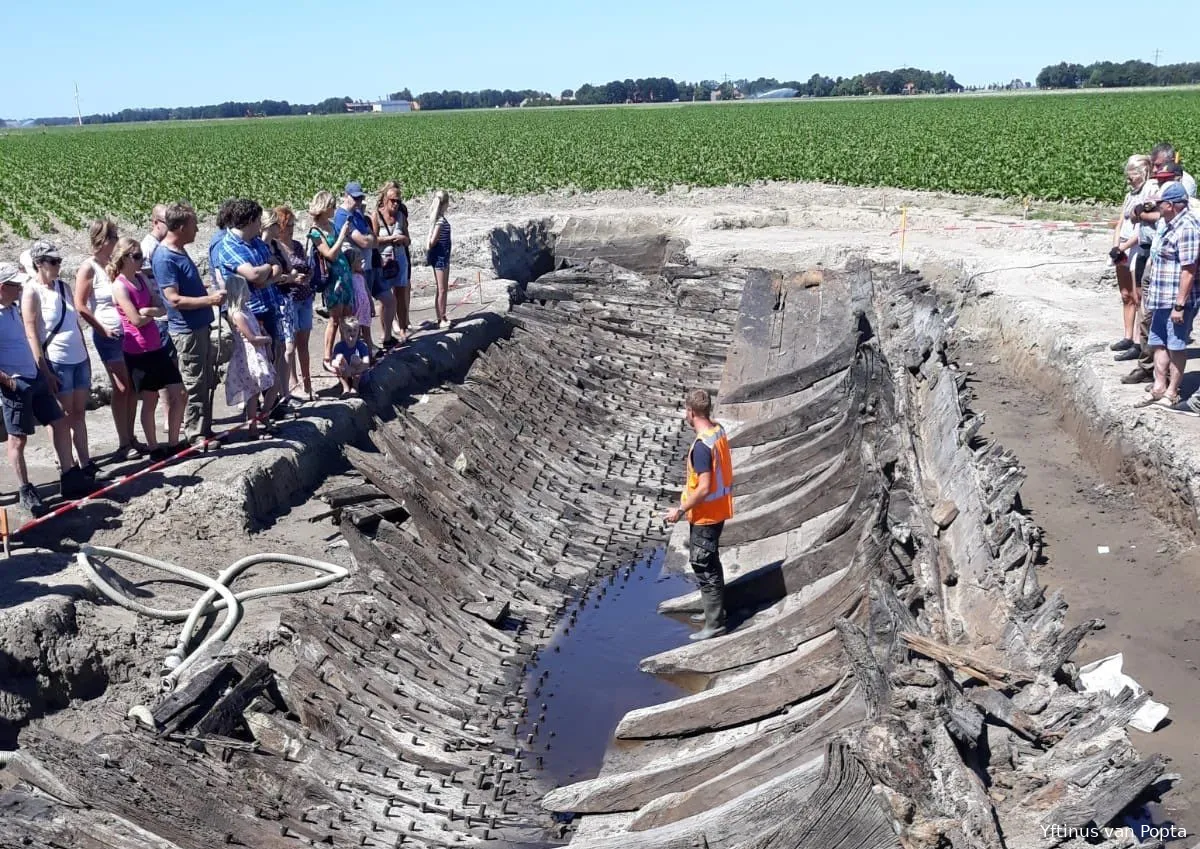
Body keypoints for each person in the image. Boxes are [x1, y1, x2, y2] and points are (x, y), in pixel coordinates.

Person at [0, 262, 78, 516]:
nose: (21, 290)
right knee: (17, 439)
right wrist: (9, 381)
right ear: (2, 288)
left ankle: (69, 475)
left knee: (59, 421)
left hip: (34, 377)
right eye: (15, 286)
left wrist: (43, 372)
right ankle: (25, 490)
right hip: (16, 384)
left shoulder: (12, 310)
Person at [23, 241, 99, 499]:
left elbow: (74, 324)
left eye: (59, 261)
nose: (58, 266)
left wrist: (86, 355)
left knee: (79, 413)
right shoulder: (32, 292)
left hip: (77, 357)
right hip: (57, 361)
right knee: (63, 416)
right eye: (53, 262)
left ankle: (85, 463)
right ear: (39, 264)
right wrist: (44, 370)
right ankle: (67, 466)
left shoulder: (63, 287)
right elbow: (32, 333)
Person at [664, 388, 734, 642]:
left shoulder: (702, 447)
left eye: (687, 411)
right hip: (718, 510)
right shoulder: (718, 430)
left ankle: (715, 623)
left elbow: (704, 487)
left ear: (691, 413)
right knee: (709, 560)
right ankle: (712, 611)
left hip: (706, 515)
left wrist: (679, 510)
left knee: (703, 564)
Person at [153, 201, 225, 443]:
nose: (196, 230)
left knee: (204, 380)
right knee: (194, 382)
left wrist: (204, 291)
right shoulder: (165, 257)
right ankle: (195, 434)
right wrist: (209, 300)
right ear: (181, 227)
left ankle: (204, 428)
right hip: (187, 330)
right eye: (194, 225)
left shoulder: (179, 251)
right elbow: (173, 299)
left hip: (199, 326)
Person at [109, 237, 186, 460]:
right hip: (138, 349)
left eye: (141, 255)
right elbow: (135, 319)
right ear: (123, 259)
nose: (141, 260)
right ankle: (154, 447)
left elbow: (160, 308)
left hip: (156, 343)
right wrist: (148, 312)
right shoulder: (119, 285)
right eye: (136, 256)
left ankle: (173, 442)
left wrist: (148, 312)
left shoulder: (142, 278)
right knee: (150, 400)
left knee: (179, 393)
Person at [214, 199, 286, 416]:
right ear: (250, 221)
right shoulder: (228, 246)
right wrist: (265, 270)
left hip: (268, 305)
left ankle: (268, 410)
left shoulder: (256, 243)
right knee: (256, 367)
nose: (260, 226)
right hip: (250, 312)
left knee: (273, 358)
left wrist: (265, 275)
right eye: (258, 221)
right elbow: (254, 276)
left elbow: (278, 268)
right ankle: (258, 414)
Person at [75, 218, 138, 460]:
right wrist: (101, 329)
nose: (115, 242)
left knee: (130, 387)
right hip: (108, 334)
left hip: (126, 332)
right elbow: (81, 306)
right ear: (102, 241)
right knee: (121, 386)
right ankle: (124, 440)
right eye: (113, 238)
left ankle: (130, 436)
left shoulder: (112, 265)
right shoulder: (89, 267)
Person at [1136, 183, 1200, 415]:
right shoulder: (1170, 225)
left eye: (1161, 203)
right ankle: (1159, 387)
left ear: (1171, 205)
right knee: (1159, 342)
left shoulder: (1188, 228)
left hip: (1176, 300)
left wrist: (1180, 305)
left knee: (1176, 346)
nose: (1157, 207)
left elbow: (1189, 270)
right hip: (1161, 297)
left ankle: (1173, 391)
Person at [335, 182, 393, 347]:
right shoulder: (342, 216)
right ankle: (360, 345)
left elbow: (372, 239)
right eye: (355, 198)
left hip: (369, 266)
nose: (359, 201)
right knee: (359, 310)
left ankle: (384, 338)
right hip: (356, 270)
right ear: (346, 196)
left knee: (384, 301)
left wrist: (369, 240)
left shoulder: (358, 214)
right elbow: (363, 240)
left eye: (361, 198)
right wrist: (368, 240)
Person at [1111, 155, 1157, 361]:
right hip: (1122, 246)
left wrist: (1124, 246)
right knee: (1125, 294)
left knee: (1138, 297)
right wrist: (1115, 246)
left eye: (1132, 178)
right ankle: (1128, 336)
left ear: (1142, 174)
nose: (1128, 181)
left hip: (1135, 247)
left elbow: (1142, 228)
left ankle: (1139, 342)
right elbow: (1121, 221)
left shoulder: (1149, 193)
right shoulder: (1130, 194)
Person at [267, 206, 314, 400]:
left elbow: (307, 266)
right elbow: (275, 277)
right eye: (290, 224)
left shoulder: (297, 245)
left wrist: (308, 276)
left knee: (304, 343)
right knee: (290, 344)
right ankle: (293, 383)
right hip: (288, 298)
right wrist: (293, 279)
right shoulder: (275, 248)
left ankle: (307, 382)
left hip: (304, 296)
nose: (293, 228)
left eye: (294, 224)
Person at [223, 274, 276, 440]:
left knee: (267, 387)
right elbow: (252, 338)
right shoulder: (237, 314)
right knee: (254, 391)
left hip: (259, 353)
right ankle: (256, 424)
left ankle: (263, 416)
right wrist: (268, 340)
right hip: (248, 355)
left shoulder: (247, 310)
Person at [307, 191, 355, 368]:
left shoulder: (331, 225)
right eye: (332, 206)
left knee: (347, 316)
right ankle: (327, 356)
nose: (334, 209)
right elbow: (330, 255)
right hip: (332, 277)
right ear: (325, 208)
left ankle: (346, 350)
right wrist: (342, 235)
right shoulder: (315, 232)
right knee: (334, 318)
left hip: (344, 274)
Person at [258, 208, 296, 399]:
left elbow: (288, 269)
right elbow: (266, 278)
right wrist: (277, 276)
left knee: (283, 348)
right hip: (269, 301)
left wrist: (280, 276)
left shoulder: (275, 246)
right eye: (275, 225)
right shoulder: (258, 248)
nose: (278, 228)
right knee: (274, 350)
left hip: (281, 298)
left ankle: (283, 392)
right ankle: (273, 395)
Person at [372, 181, 412, 342]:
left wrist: (402, 238)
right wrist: (390, 239)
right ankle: (385, 332)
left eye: (398, 201)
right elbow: (373, 240)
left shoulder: (401, 216)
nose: (395, 204)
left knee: (401, 294)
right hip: (384, 260)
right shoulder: (377, 215)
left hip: (400, 258)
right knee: (385, 297)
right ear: (385, 200)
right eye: (392, 201)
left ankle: (402, 329)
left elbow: (408, 240)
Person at [426, 190, 453, 329]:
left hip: (444, 256)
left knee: (443, 288)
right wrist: (431, 243)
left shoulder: (440, 219)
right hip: (440, 258)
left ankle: (442, 314)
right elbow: (432, 241)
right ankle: (440, 317)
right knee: (442, 289)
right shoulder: (440, 221)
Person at [331, 317, 370, 397]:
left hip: (359, 376)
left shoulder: (362, 346)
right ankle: (345, 387)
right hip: (345, 374)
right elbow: (333, 362)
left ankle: (355, 387)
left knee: (355, 358)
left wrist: (353, 371)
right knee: (339, 357)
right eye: (349, 330)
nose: (352, 332)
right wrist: (339, 364)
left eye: (355, 330)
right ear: (343, 332)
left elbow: (366, 363)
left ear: (358, 331)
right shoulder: (339, 346)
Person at [347, 247, 374, 353]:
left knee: (367, 333)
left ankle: (370, 355)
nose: (362, 263)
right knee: (356, 333)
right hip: (356, 308)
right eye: (359, 261)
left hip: (365, 307)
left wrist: (371, 304)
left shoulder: (361, 276)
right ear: (353, 263)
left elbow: (367, 290)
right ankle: (356, 356)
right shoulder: (349, 277)